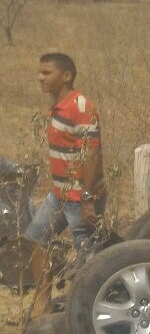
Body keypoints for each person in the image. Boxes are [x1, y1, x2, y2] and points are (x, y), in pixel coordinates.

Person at [24, 52, 105, 269]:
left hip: (81, 198)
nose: (40, 77)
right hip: (59, 196)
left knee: (89, 263)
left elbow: (91, 155)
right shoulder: (58, 106)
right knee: (34, 241)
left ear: (67, 76)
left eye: (47, 72)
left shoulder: (81, 107)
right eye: (40, 72)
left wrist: (87, 200)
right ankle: (44, 302)